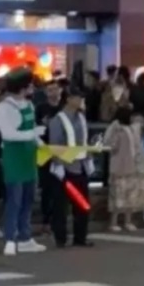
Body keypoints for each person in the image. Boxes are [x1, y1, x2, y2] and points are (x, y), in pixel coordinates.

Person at [0, 68, 46, 256]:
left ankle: (25, 237)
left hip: (29, 156)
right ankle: (10, 238)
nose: (32, 88)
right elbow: (8, 134)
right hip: (13, 157)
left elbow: (32, 129)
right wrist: (33, 134)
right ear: (22, 87)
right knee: (14, 200)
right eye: (30, 85)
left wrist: (43, 145)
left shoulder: (29, 105)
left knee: (28, 199)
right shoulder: (4, 107)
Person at [46, 87, 94, 247]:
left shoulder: (81, 118)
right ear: (68, 99)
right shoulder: (58, 120)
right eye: (77, 98)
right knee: (61, 205)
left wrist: (88, 159)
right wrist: (58, 164)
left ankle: (80, 237)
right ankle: (60, 238)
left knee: (82, 204)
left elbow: (84, 141)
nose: (80, 101)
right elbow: (55, 145)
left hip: (80, 166)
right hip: (64, 169)